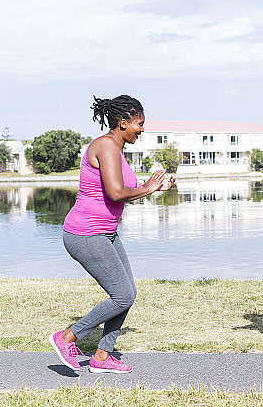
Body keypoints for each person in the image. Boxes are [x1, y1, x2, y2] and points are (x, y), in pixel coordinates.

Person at [50, 95, 174, 374]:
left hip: (106, 233)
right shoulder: (106, 146)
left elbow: (121, 192)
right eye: (139, 124)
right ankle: (67, 337)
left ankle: (102, 356)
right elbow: (116, 192)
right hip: (85, 234)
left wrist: (151, 187)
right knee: (122, 295)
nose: (142, 130)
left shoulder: (116, 149)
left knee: (126, 293)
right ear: (123, 122)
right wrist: (148, 188)